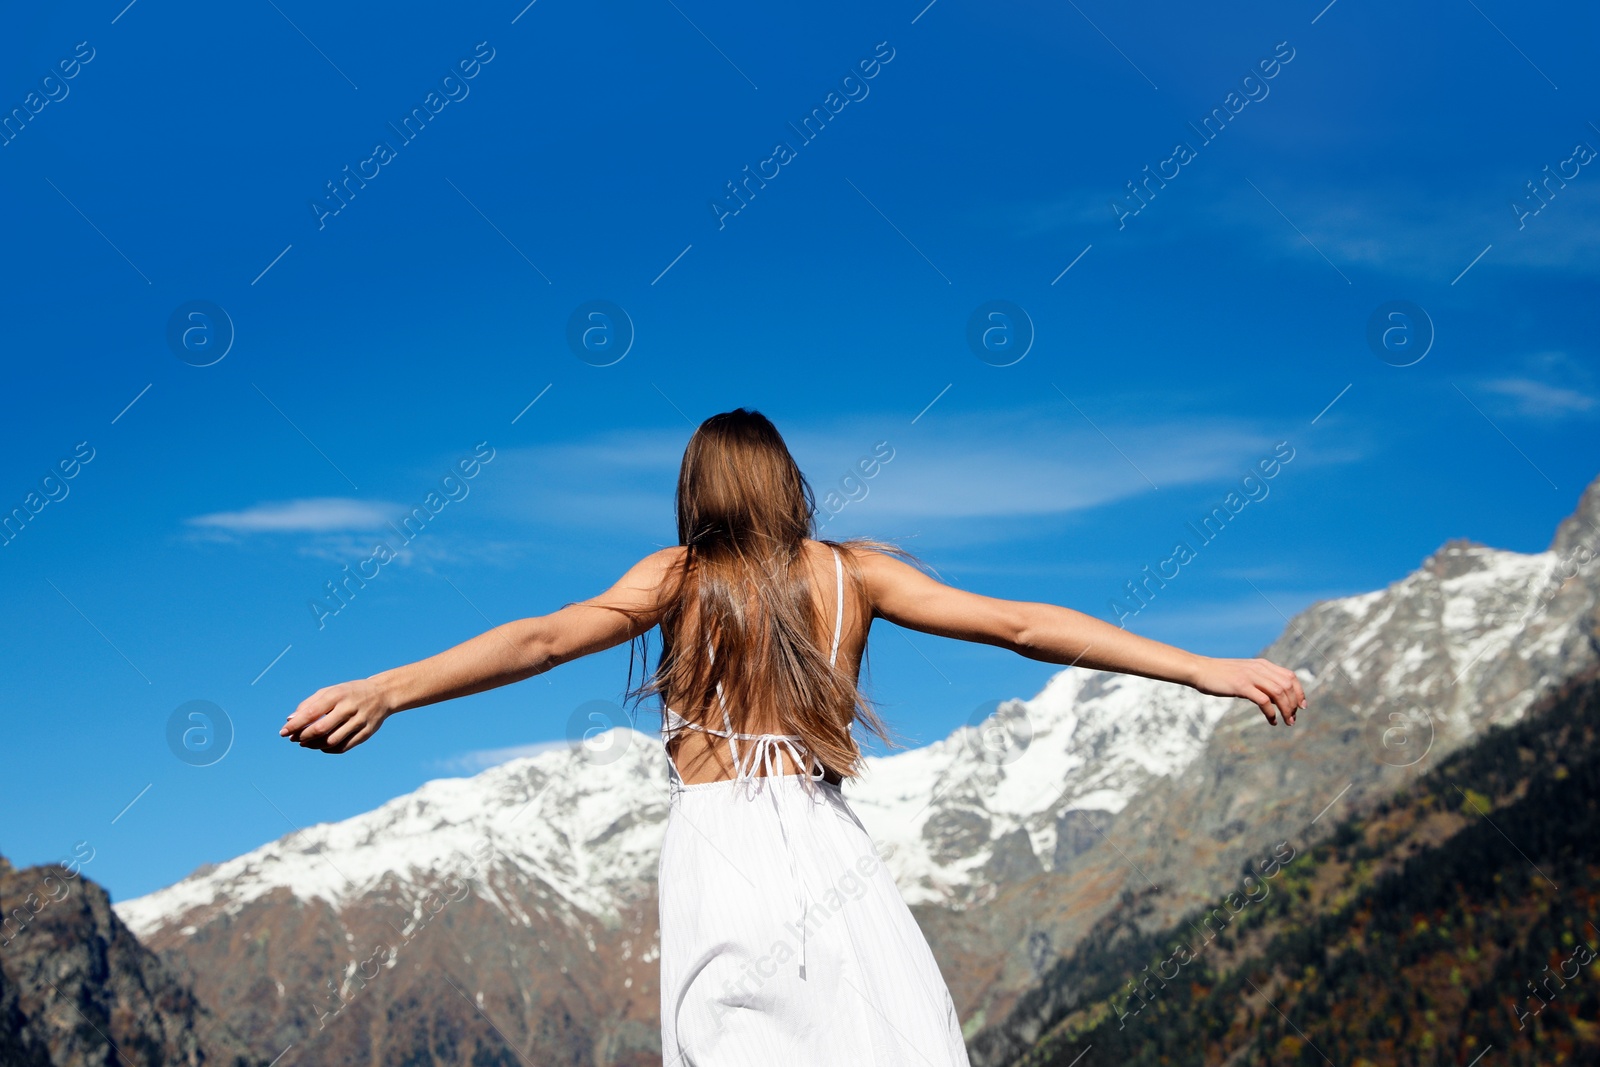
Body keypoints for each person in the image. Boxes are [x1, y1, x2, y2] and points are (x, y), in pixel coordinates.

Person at [281, 408, 1306, 1064]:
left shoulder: (676, 575)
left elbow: (542, 639)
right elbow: (1022, 624)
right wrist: (1202, 664)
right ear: (787, 482)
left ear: (697, 492)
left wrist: (388, 687)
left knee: (734, 1035)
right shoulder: (853, 571)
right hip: (826, 834)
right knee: (881, 1034)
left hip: (719, 839)